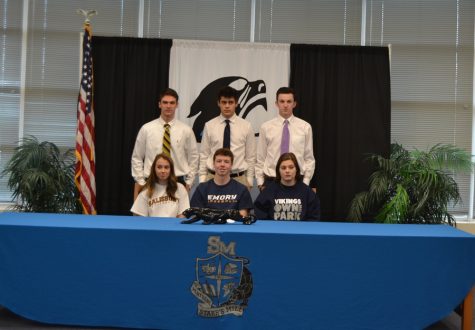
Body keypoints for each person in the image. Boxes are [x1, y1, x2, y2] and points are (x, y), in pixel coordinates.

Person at [131, 88, 198, 200]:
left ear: (177, 105)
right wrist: (141, 181)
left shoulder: (186, 130)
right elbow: (137, 157)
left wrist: (189, 182)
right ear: (159, 104)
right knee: (150, 217)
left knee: (178, 216)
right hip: (151, 181)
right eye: (165, 102)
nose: (168, 106)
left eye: (172, 103)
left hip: (177, 181)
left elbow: (194, 158)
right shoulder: (146, 129)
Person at [255, 87, 315, 191]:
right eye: (282, 101)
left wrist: (305, 182)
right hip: (271, 181)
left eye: (289, 101)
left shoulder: (305, 127)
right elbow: (260, 158)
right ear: (276, 104)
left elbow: (309, 158)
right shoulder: (266, 127)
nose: (285, 105)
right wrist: (260, 183)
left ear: (294, 104)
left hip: (298, 181)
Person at [199, 86, 256, 189]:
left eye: (230, 102)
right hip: (212, 177)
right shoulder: (209, 125)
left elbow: (250, 157)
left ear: (236, 103)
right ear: (218, 103)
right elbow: (204, 154)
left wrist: (250, 180)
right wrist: (202, 179)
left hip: (239, 179)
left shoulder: (246, 126)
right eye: (224, 102)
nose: (227, 106)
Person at [254, 152, 320, 221]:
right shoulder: (268, 191)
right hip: (274, 230)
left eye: (291, 167)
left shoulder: (307, 193)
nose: (287, 171)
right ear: (278, 170)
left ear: (296, 169)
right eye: (283, 168)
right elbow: (260, 215)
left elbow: (314, 219)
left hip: (300, 230)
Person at [191, 148, 253, 217]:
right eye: (219, 161)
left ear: (231, 165)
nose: (222, 165)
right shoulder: (201, 189)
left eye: (226, 162)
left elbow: (243, 216)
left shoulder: (242, 189)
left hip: (233, 227)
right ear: (213, 164)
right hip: (209, 226)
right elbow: (197, 215)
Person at [131, 153, 190, 218]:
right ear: (154, 169)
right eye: (159, 167)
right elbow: (139, 217)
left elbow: (183, 215)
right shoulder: (146, 191)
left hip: (173, 227)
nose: (163, 171)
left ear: (171, 170)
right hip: (152, 227)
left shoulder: (180, 188)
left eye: (166, 167)